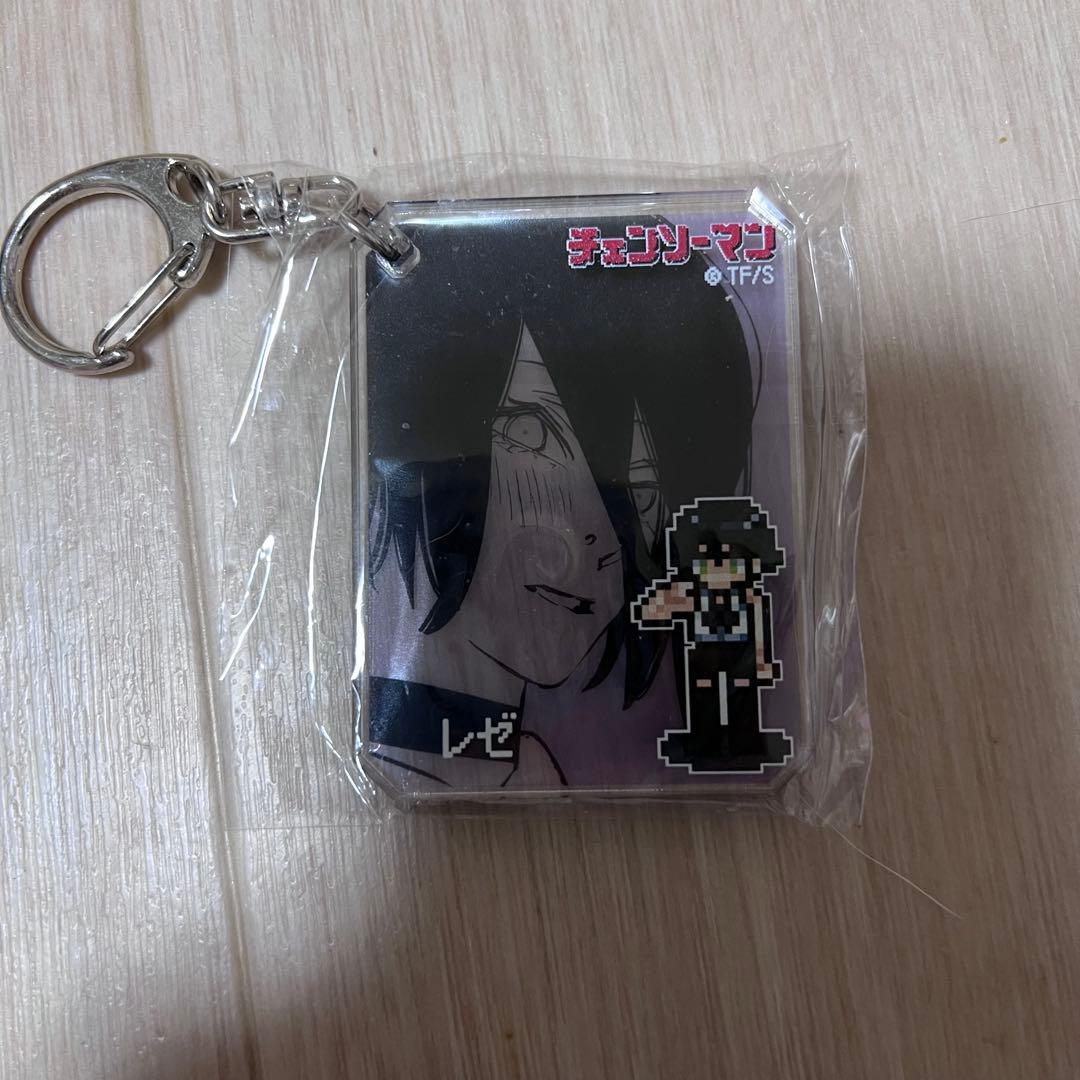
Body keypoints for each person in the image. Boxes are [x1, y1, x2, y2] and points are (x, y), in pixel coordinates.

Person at [361, 207, 759, 787]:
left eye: (644, 491)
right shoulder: (376, 740)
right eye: (535, 434)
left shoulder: (520, 769)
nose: (599, 538)